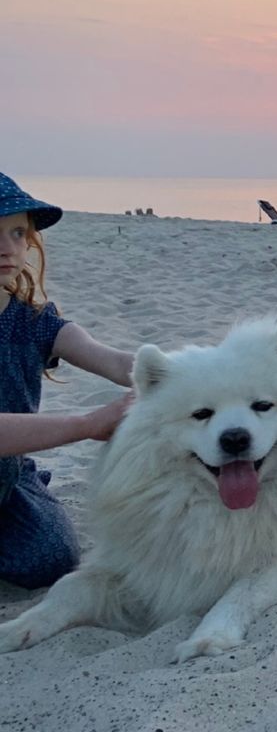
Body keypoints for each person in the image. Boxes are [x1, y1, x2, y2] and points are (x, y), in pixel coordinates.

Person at [0, 173, 135, 589]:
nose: (7, 248)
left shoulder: (35, 320)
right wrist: (87, 424)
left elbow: (113, 360)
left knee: (53, 556)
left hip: (9, 479)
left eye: (18, 233)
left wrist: (193, 378)